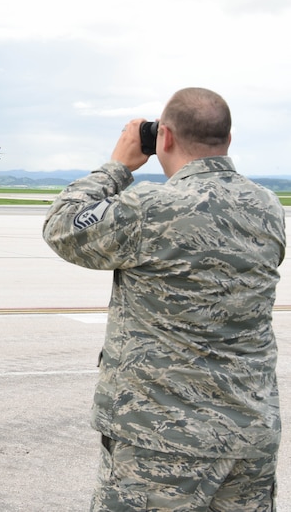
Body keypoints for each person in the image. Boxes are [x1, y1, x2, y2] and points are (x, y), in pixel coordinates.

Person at [43, 88, 285, 510]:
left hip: (162, 439)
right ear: (226, 139)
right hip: (250, 434)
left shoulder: (151, 205)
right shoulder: (266, 206)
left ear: (164, 138)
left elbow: (62, 226)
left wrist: (118, 166)